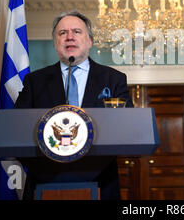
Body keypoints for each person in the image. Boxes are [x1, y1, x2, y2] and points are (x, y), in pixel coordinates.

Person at [15, 10, 133, 200]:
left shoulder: (114, 79)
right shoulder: (34, 81)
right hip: (45, 179)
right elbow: (17, 127)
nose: (69, 37)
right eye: (62, 33)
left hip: (101, 181)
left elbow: (128, 125)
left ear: (90, 41)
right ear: (56, 43)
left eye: (77, 32)